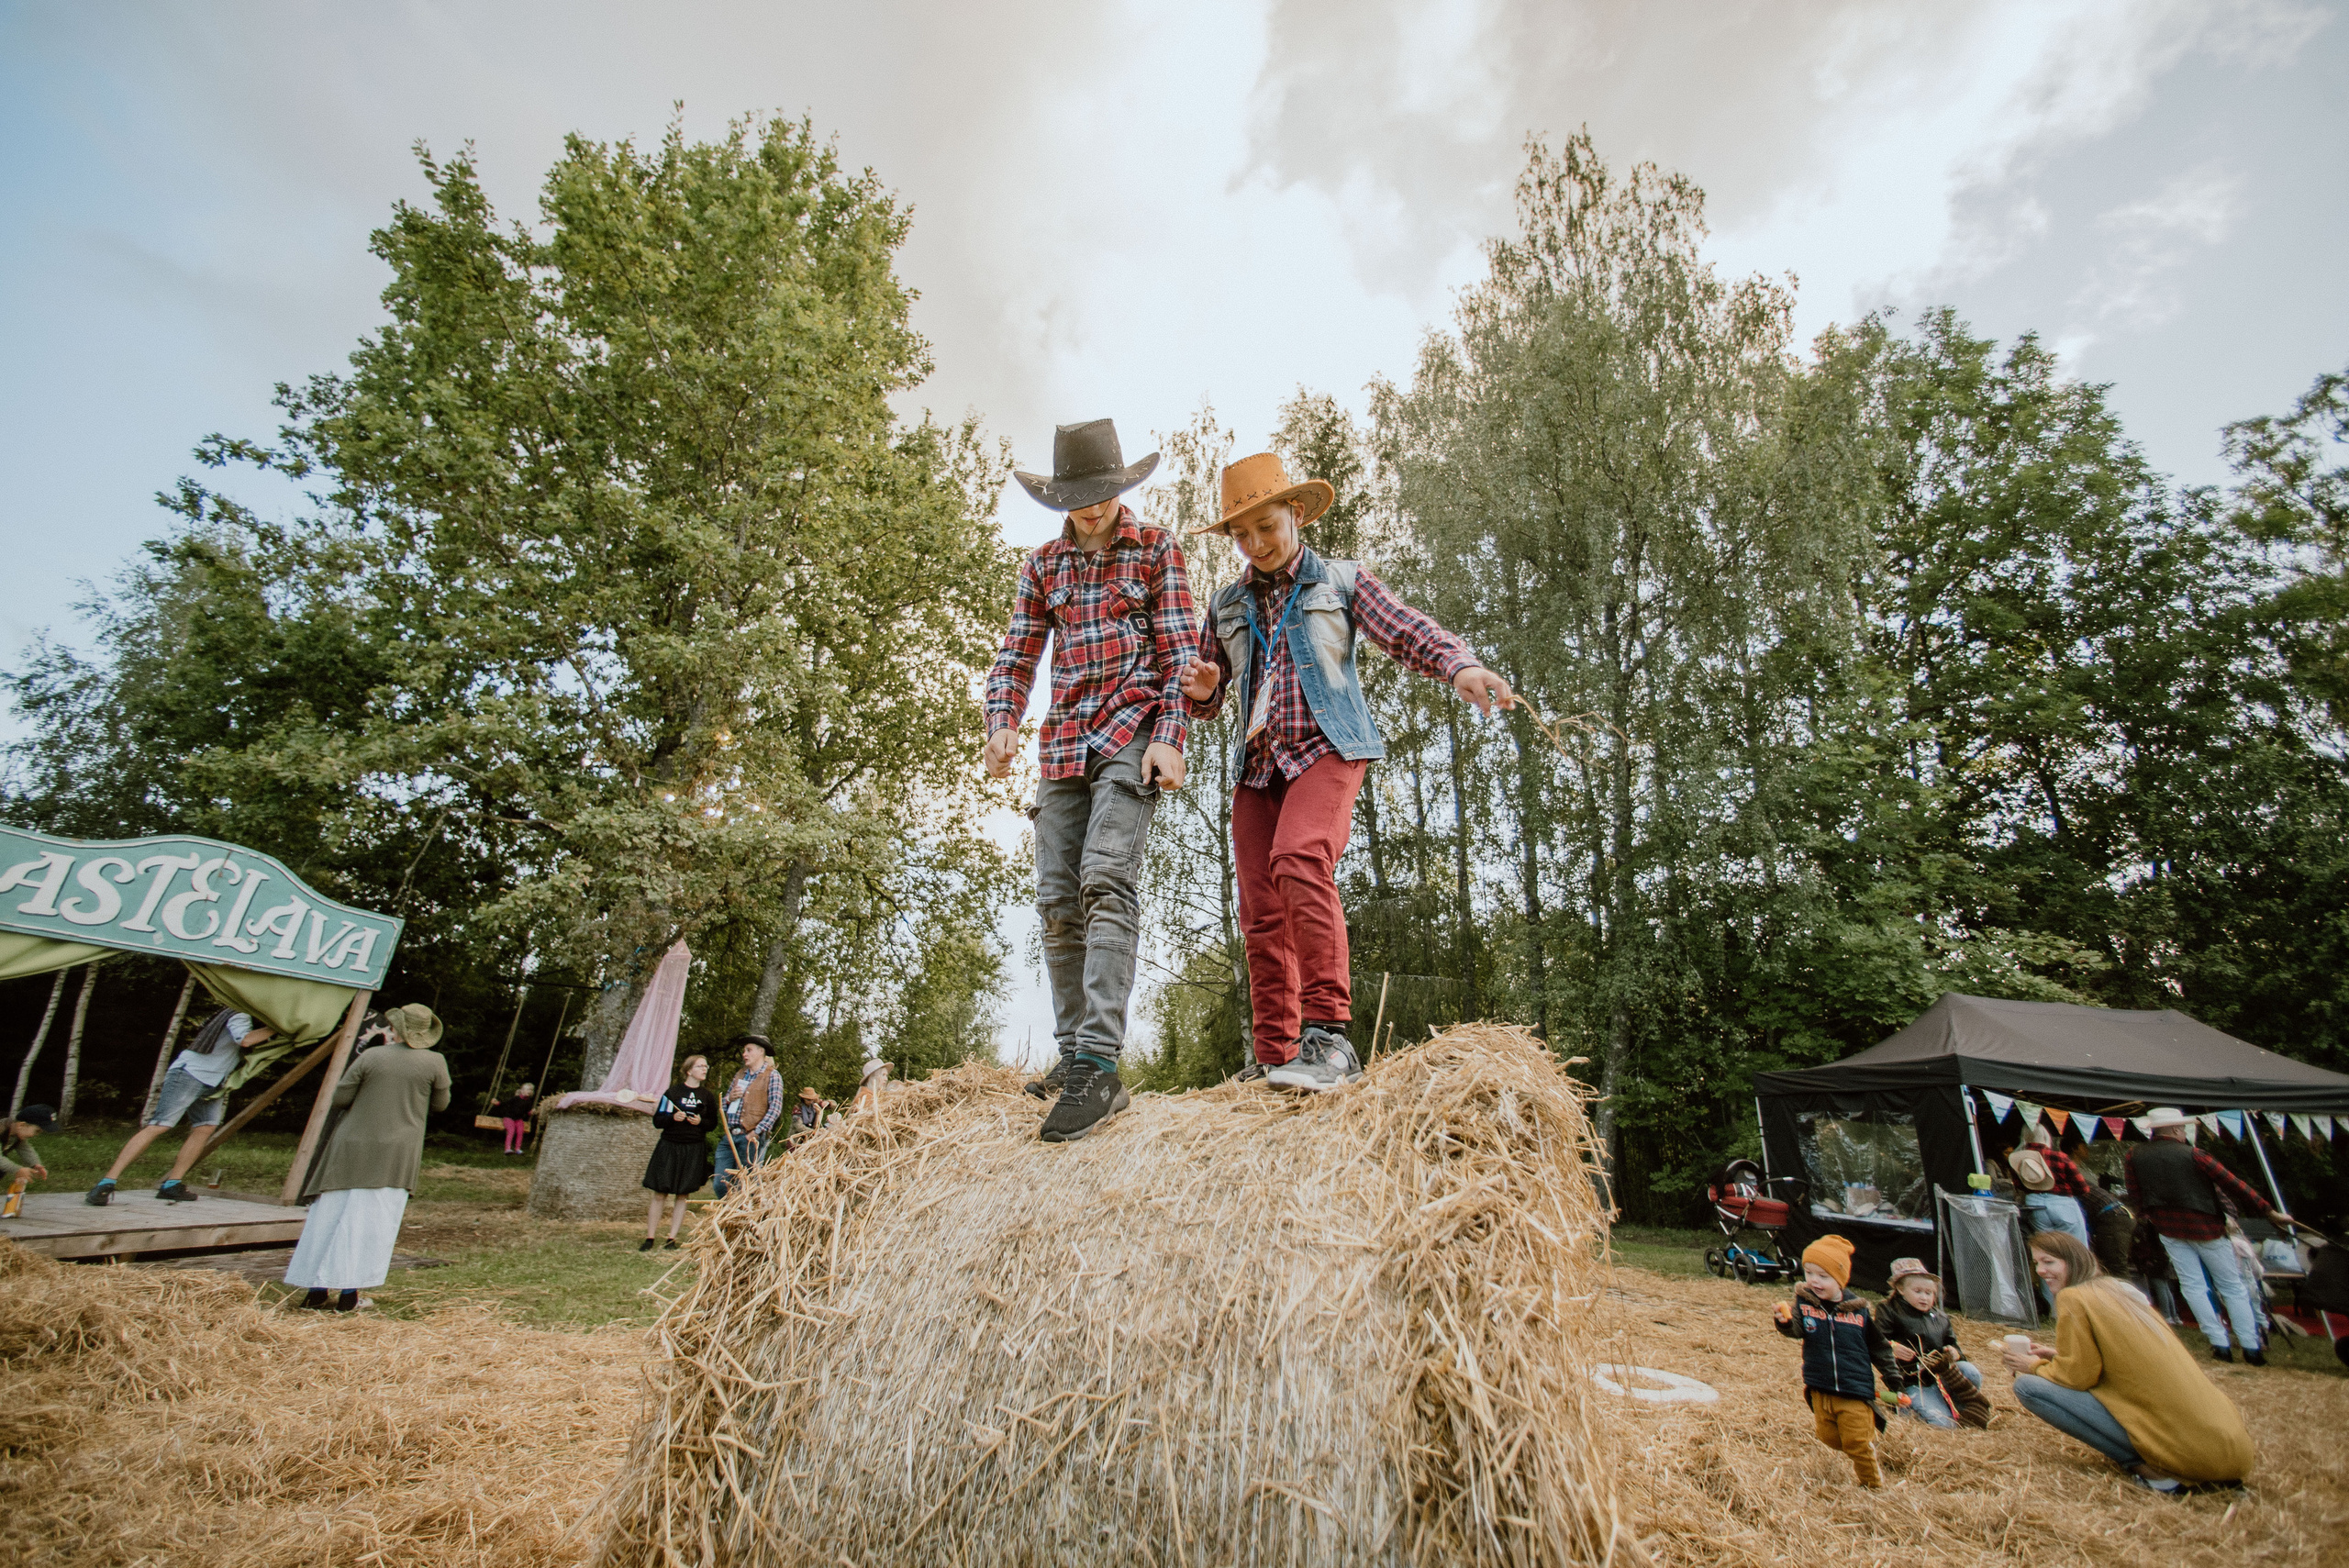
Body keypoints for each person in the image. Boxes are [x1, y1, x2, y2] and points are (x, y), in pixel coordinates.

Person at [1179, 452, 1517, 1094]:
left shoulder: (1339, 581)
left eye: (1266, 526)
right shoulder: (1225, 604)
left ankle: (1330, 1038)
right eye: (1241, 534)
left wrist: (1460, 665)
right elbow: (1209, 695)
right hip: (1259, 767)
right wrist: (1202, 691)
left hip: (1328, 747)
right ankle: (1275, 1054)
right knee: (1260, 909)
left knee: (1299, 857)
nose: (1256, 543)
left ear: (1296, 513)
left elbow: (1404, 629)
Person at [984, 418, 1199, 1143]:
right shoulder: (1043, 565)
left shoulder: (1157, 549)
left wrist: (1169, 736)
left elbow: (1180, 655)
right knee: (1056, 899)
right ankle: (1074, 1049)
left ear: (1120, 486)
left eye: (1102, 493)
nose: (1092, 506)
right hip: (1063, 742)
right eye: (1078, 497)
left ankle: (1101, 1064)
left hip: (1131, 730)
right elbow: (1017, 655)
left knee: (1105, 877)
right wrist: (1002, 720)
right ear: (1060, 498)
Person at [2003, 1230, 2254, 1494]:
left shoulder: (2073, 1297)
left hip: (2191, 1457)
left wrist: (2032, 1366)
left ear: (2073, 1261)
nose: (2040, 1271)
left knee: (2028, 1387)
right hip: (2233, 1454)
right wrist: (2056, 1356)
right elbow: (2118, 1360)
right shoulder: (2117, 1290)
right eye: (2036, 1263)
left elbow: (2077, 1377)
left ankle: (2155, 1475)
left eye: (2049, 1262)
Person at [284, 1004, 451, 1311]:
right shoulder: (435, 1062)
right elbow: (441, 1104)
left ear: (396, 1029)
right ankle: (350, 1295)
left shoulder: (372, 1056)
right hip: (396, 1152)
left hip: (351, 1145)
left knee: (329, 1215)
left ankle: (316, 1291)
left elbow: (341, 1097)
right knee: (372, 1221)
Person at [2124, 1107, 2290, 1365]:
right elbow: (2234, 1184)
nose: (2185, 1132)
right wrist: (2268, 1211)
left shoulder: (2133, 1155)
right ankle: (2251, 1348)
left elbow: (2135, 1194)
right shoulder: (2194, 1154)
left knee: (2192, 1286)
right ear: (2176, 1129)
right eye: (2183, 1128)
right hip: (2207, 1228)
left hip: (2168, 1228)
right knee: (2232, 1287)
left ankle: (2220, 1345)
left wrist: (2151, 1216)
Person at [86, 1006, 277, 1206]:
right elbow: (245, 1040)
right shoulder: (240, 1014)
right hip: (190, 1074)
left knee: (205, 1128)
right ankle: (106, 1183)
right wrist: (276, 1027)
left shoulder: (236, 1016)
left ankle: (172, 1185)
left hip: (213, 1081)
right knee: (160, 1125)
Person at [1770, 1235, 1898, 1488]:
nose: (1814, 1281)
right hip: (1820, 1387)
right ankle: (1861, 1439)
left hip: (1853, 1389)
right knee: (1828, 1437)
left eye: (1823, 1276)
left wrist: (1893, 1378)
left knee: (1856, 1443)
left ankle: (1873, 1486)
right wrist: (1784, 1322)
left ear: (1840, 1279)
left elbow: (1879, 1347)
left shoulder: (1857, 1311)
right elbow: (1796, 1329)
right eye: (1809, 1273)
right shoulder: (1806, 1304)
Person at [1873, 1257, 1988, 1429]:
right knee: (1944, 1424)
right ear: (1900, 1289)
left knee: (1970, 1371)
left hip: (1941, 1378)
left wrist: (1955, 1353)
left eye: (1929, 1293)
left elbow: (1953, 1345)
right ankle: (1907, 1407)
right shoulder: (1888, 1310)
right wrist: (1892, 1347)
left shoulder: (1941, 1318)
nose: (1924, 1297)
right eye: (1918, 1291)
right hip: (1912, 1383)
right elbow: (1875, 1341)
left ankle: (1959, 1408)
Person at [640, 1055, 713, 1251]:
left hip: (693, 1148)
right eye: (700, 1066)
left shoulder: (707, 1096)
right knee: (660, 1193)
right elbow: (658, 1121)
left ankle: (671, 1239)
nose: (705, 1069)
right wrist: (673, 1117)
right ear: (689, 1070)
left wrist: (701, 1122)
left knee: (682, 1194)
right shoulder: (673, 1093)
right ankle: (650, 1238)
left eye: (706, 1066)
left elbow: (712, 1123)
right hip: (670, 1146)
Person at [712, 1035, 783, 1200]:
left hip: (751, 1138)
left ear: (760, 1051)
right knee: (720, 1184)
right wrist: (729, 1099)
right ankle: (729, 1211)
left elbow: (775, 1109)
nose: (744, 1054)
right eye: (744, 1050)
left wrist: (755, 1133)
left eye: (748, 1050)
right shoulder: (740, 1075)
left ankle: (743, 1214)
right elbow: (723, 1105)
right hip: (730, 1136)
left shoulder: (772, 1076)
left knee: (747, 1186)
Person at [3, 1103, 55, 1184]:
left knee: (3, 1168)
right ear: (21, 1125)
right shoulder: (2, 1129)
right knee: (3, 1165)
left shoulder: (16, 1132)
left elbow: (25, 1149)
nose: (37, 1135)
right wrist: (18, 1170)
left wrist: (35, 1164)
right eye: (37, 1131)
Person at [494, 1081, 536, 1155]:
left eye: (530, 1090)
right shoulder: (516, 1098)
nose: (529, 1091)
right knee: (511, 1131)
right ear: (522, 1091)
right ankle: (507, 1149)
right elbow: (506, 1103)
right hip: (509, 1118)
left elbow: (527, 1112)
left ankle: (517, 1149)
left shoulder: (529, 1101)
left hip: (518, 1119)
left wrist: (531, 1112)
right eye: (527, 1089)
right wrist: (497, 1103)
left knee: (520, 1132)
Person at [785, 1084, 834, 1149]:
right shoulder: (797, 1109)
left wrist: (827, 1103)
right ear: (803, 1099)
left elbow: (834, 1105)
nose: (810, 1102)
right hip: (796, 1140)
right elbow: (799, 1127)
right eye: (808, 1100)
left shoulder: (814, 1106)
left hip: (808, 1140)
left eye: (812, 1100)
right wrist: (814, 1132)